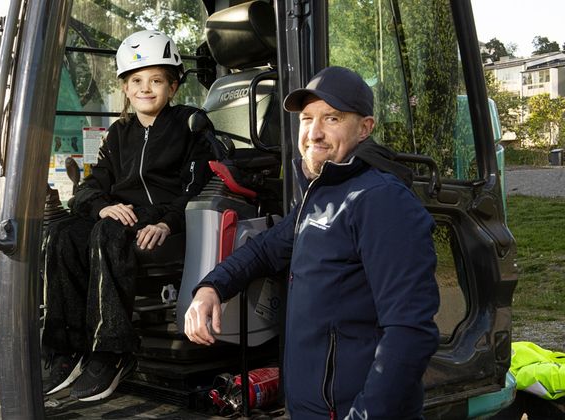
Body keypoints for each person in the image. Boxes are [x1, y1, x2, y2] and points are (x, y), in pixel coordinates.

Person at [184, 66, 440, 419]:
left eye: (332, 118)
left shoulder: (381, 200)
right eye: (307, 118)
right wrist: (211, 287)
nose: (314, 132)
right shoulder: (322, 194)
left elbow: (410, 331)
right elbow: (265, 249)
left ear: (364, 128)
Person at [41, 29, 212, 402]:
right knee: (63, 233)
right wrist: (101, 205)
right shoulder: (118, 134)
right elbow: (88, 188)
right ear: (125, 87)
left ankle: (113, 351)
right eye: (136, 81)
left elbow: (198, 188)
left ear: (173, 86)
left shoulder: (190, 124)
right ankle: (65, 347)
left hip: (166, 222)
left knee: (107, 232)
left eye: (156, 80)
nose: (145, 88)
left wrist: (167, 222)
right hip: (119, 218)